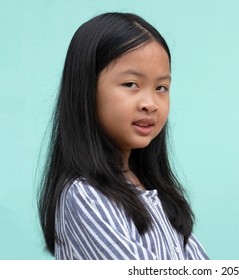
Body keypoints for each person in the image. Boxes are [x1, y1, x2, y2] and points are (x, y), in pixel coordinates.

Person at [38, 12, 209, 260]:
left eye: (161, 87)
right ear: (86, 89)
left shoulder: (156, 191)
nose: (150, 103)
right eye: (131, 84)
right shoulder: (85, 196)